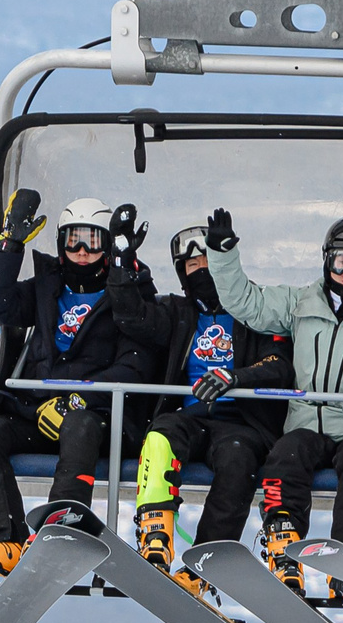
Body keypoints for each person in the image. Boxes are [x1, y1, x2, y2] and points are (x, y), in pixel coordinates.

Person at [203, 209, 343, 599]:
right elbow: (247, 304)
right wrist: (222, 256)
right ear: (327, 259)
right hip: (304, 423)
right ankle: (282, 535)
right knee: (285, 454)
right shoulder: (303, 303)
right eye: (341, 260)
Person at [0, 190, 161, 585]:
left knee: (79, 425)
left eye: (93, 240)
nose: (83, 251)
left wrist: (78, 399)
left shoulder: (129, 297)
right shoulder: (46, 288)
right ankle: (6, 540)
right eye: (74, 239)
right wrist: (10, 244)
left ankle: (60, 533)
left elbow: (136, 365)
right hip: (37, 411)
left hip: (100, 419)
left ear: (107, 245)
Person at [112, 222, 294, 596]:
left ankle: (205, 562)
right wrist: (123, 261)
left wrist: (236, 378)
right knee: (160, 436)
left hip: (241, 422)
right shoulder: (177, 313)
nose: (202, 272)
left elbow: (279, 364)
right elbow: (132, 316)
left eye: (208, 262)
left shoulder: (253, 310)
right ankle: (155, 536)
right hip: (190, 417)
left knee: (238, 461)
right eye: (192, 267)